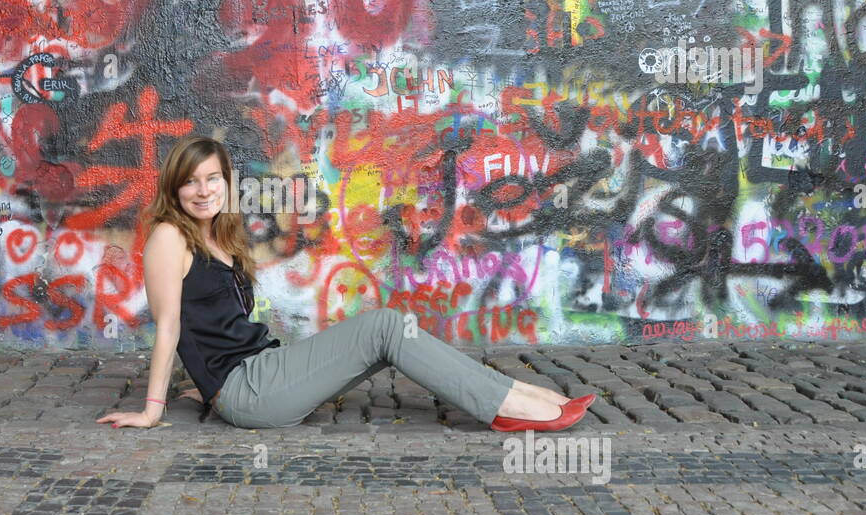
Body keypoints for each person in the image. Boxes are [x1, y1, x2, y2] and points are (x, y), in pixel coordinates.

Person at [97, 135, 594, 431]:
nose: (202, 191)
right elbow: (167, 327)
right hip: (250, 391)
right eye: (191, 181)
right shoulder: (168, 236)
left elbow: (212, 328)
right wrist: (152, 411)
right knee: (388, 326)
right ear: (174, 188)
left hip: (256, 374)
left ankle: (519, 394)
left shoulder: (218, 236)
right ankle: (508, 408)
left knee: (391, 337)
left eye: (212, 179)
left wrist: (205, 387)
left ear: (227, 182)